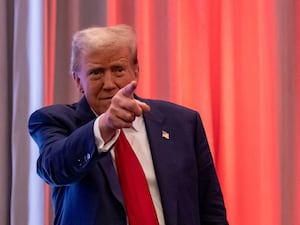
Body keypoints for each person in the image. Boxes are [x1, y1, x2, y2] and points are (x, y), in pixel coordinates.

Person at [28, 24, 228, 225]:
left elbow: (211, 208)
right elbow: (53, 168)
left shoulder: (183, 123)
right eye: (96, 73)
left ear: (136, 71)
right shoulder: (54, 120)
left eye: (118, 70)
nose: (109, 83)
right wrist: (104, 125)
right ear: (79, 81)